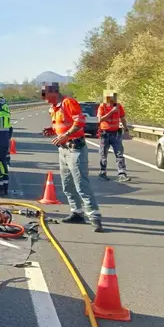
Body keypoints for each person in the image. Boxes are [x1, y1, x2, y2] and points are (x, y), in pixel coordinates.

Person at [42, 82, 103, 232]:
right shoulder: (54, 108)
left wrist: (65, 135)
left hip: (75, 148)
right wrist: (53, 130)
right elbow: (63, 124)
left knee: (81, 184)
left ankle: (94, 216)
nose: (43, 97)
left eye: (45, 94)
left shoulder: (68, 102)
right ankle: (77, 212)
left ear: (54, 92)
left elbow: (80, 122)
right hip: (63, 150)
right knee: (67, 185)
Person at [97, 91, 131, 182]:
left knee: (119, 154)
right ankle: (102, 172)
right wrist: (111, 112)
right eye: (112, 97)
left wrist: (126, 129)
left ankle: (122, 173)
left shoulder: (118, 106)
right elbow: (100, 119)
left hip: (116, 134)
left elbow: (122, 118)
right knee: (103, 154)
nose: (114, 99)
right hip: (105, 134)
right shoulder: (102, 106)